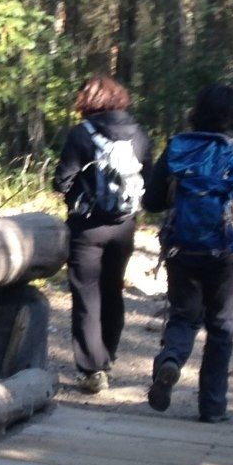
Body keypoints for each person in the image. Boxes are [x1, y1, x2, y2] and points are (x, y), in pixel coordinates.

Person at [142, 84, 233, 423]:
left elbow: (152, 201)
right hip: (225, 250)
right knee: (221, 325)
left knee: (184, 316)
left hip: (182, 247)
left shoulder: (177, 146)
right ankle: (213, 407)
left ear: (196, 110)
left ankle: (171, 359)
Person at [54, 74, 152, 394]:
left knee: (86, 295)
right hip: (124, 226)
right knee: (112, 291)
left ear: (89, 100)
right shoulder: (139, 133)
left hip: (87, 228)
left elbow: (62, 180)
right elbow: (148, 180)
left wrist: (72, 197)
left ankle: (93, 369)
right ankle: (107, 355)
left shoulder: (81, 134)